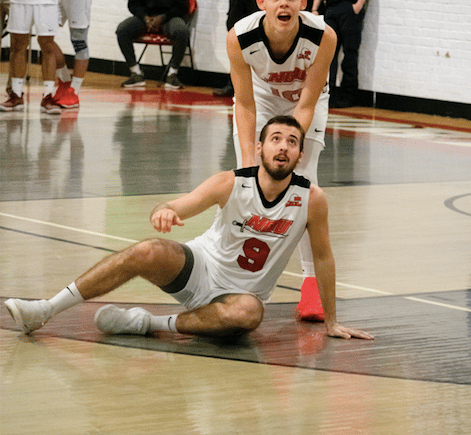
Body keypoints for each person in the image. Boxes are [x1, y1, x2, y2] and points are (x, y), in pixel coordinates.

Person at [4, 115, 374, 343]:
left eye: (292, 142)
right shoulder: (230, 182)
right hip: (200, 270)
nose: (283, 147)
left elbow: (323, 258)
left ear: (300, 155)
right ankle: (45, 309)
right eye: (275, 139)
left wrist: (332, 321)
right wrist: (164, 212)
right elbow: (174, 205)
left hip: (240, 298)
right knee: (148, 249)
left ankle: (146, 323)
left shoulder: (312, 199)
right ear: (260, 147)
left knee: (249, 315)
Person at [227, 0, 337, 323]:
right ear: (262, 2)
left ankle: (311, 285)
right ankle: (229, 274)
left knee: (302, 183)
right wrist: (248, 161)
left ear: (303, 2)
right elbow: (244, 103)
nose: (283, 3)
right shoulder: (240, 37)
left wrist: (291, 142)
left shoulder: (324, 36)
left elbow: (306, 103)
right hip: (260, 100)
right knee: (245, 184)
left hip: (306, 102)